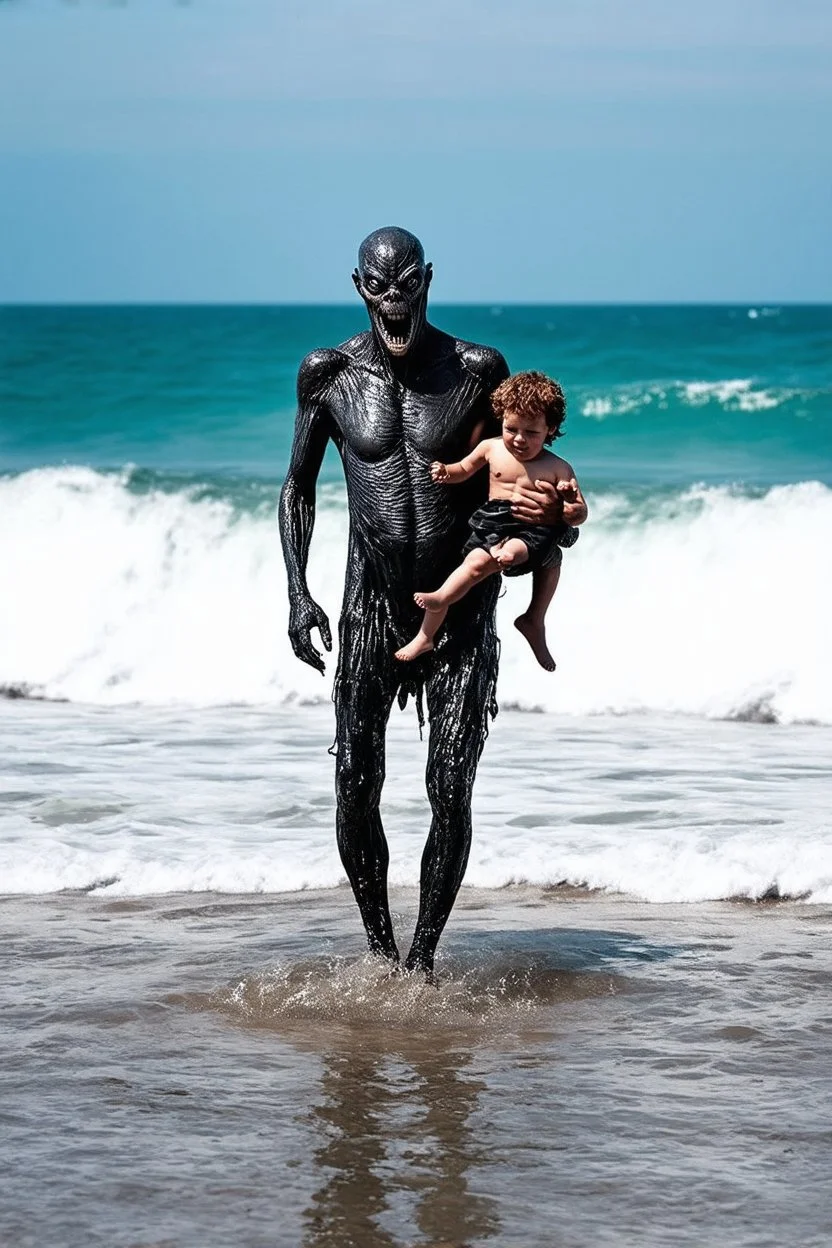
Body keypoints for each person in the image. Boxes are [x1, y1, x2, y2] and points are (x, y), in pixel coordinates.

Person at [279, 227, 578, 977]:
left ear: (429, 281)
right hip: (370, 604)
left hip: (463, 604)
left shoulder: (477, 369)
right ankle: (381, 951)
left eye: (407, 284)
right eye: (379, 287)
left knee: (450, 782)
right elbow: (298, 486)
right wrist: (296, 591)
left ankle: (422, 961)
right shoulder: (328, 374)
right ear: (358, 287)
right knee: (355, 781)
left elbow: (520, 460)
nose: (394, 300)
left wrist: (543, 531)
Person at [395, 371, 586, 670]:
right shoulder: (491, 447)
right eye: (511, 428)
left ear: (551, 429)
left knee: (512, 553)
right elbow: (464, 468)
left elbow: (579, 513)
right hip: (494, 521)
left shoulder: (558, 467)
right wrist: (446, 472)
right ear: (501, 420)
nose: (519, 439)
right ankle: (426, 633)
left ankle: (526, 608)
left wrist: (570, 506)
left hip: (531, 530)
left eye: (532, 432)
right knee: (470, 565)